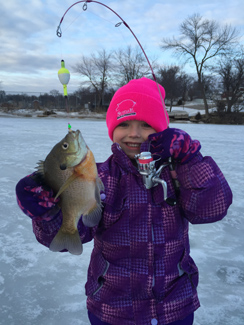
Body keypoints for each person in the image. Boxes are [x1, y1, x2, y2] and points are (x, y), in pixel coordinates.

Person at [16, 77, 232, 325]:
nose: (134, 134)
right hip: (112, 310)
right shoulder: (101, 177)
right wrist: (49, 216)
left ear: (162, 129)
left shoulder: (176, 171)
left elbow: (211, 210)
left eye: (146, 124)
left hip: (175, 307)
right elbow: (79, 232)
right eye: (124, 124)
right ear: (112, 129)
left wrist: (190, 159)